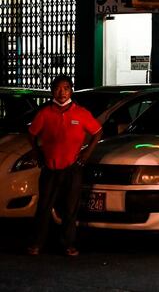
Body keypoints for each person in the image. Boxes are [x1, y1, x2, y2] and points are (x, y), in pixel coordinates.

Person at [27, 75, 102, 257]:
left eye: (66, 88)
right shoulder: (45, 113)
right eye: (58, 89)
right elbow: (31, 133)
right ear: (53, 90)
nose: (62, 92)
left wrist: (86, 153)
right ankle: (37, 244)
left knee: (70, 209)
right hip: (50, 168)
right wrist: (38, 153)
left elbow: (97, 132)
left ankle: (68, 244)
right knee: (44, 208)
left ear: (71, 91)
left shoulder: (81, 113)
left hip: (72, 168)